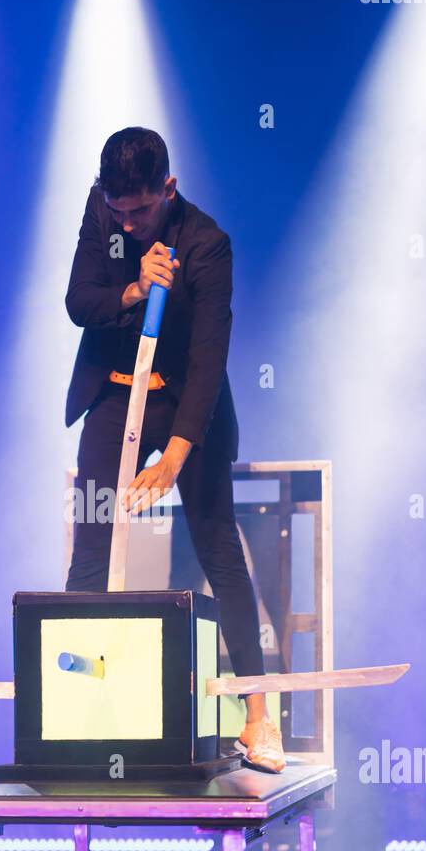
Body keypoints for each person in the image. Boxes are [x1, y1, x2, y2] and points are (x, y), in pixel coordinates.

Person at [63, 126, 285, 773]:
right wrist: (134, 286)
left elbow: (209, 356)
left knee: (216, 545)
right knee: (93, 538)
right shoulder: (102, 210)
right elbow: (80, 303)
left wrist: (173, 457)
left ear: (169, 187)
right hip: (115, 394)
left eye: (140, 210)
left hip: (189, 402)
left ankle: (255, 717)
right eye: (117, 209)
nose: (126, 222)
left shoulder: (207, 244)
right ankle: (81, 706)